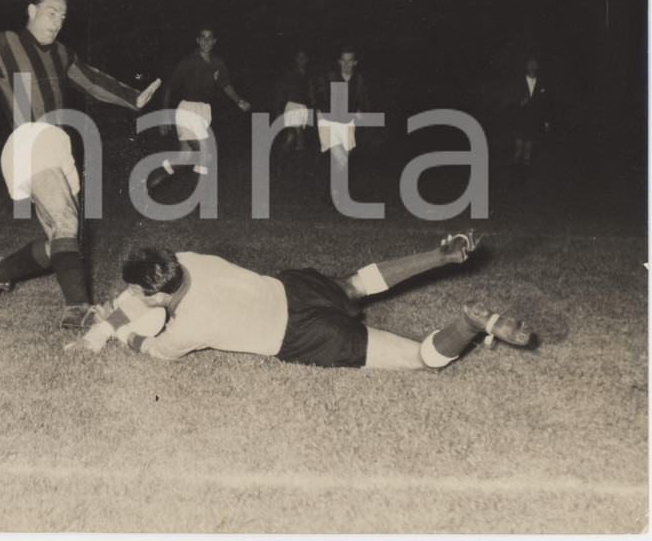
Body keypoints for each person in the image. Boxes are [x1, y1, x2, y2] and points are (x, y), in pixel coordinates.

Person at [0, 0, 161, 329]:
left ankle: (1, 269)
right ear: (31, 10)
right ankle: (78, 308)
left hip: (58, 145)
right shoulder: (1, 43)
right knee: (67, 223)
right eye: (51, 12)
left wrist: (134, 98)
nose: (57, 21)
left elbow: (92, 80)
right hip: (28, 139)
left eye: (63, 16)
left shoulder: (62, 54)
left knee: (62, 237)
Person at [67, 230, 534, 370]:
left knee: (416, 357)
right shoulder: (186, 258)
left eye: (136, 291)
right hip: (292, 288)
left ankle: (475, 325)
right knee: (357, 283)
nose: (129, 295)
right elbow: (149, 293)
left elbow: (154, 348)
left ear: (158, 292)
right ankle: (442, 254)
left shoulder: (189, 327)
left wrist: (119, 332)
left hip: (299, 334)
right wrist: (108, 320)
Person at [147, 28, 251, 192]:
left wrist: (239, 101)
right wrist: (165, 115)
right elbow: (169, 87)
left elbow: (225, 84)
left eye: (210, 38)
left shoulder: (218, 62)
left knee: (184, 158)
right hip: (188, 109)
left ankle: (147, 184)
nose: (206, 41)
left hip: (204, 111)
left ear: (215, 41)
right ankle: (201, 198)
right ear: (197, 40)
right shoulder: (188, 61)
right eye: (203, 38)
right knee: (205, 151)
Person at [314, 46, 370, 206]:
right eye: (343, 61)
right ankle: (336, 196)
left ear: (355, 62)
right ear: (339, 62)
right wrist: (318, 111)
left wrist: (360, 112)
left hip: (347, 125)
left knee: (341, 163)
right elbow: (317, 95)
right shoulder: (330, 77)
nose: (346, 64)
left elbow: (364, 101)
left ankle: (328, 194)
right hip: (328, 123)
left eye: (350, 61)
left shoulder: (359, 80)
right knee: (341, 161)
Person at [508, 55, 552, 184]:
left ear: (537, 67)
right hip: (520, 120)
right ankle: (513, 179)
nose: (532, 67)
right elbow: (511, 101)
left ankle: (523, 180)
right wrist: (520, 102)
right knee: (518, 148)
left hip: (533, 122)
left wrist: (546, 121)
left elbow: (544, 105)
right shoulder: (518, 82)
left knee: (528, 150)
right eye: (530, 64)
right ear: (526, 67)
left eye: (534, 64)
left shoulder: (541, 84)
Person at [272, 49, 314, 178]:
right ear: (296, 60)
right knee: (299, 136)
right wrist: (278, 109)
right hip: (291, 107)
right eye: (298, 57)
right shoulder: (290, 74)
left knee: (291, 138)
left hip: (303, 108)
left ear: (307, 60)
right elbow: (280, 90)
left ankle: (280, 167)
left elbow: (310, 94)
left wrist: (312, 106)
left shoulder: (308, 76)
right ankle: (301, 170)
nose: (301, 59)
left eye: (303, 57)